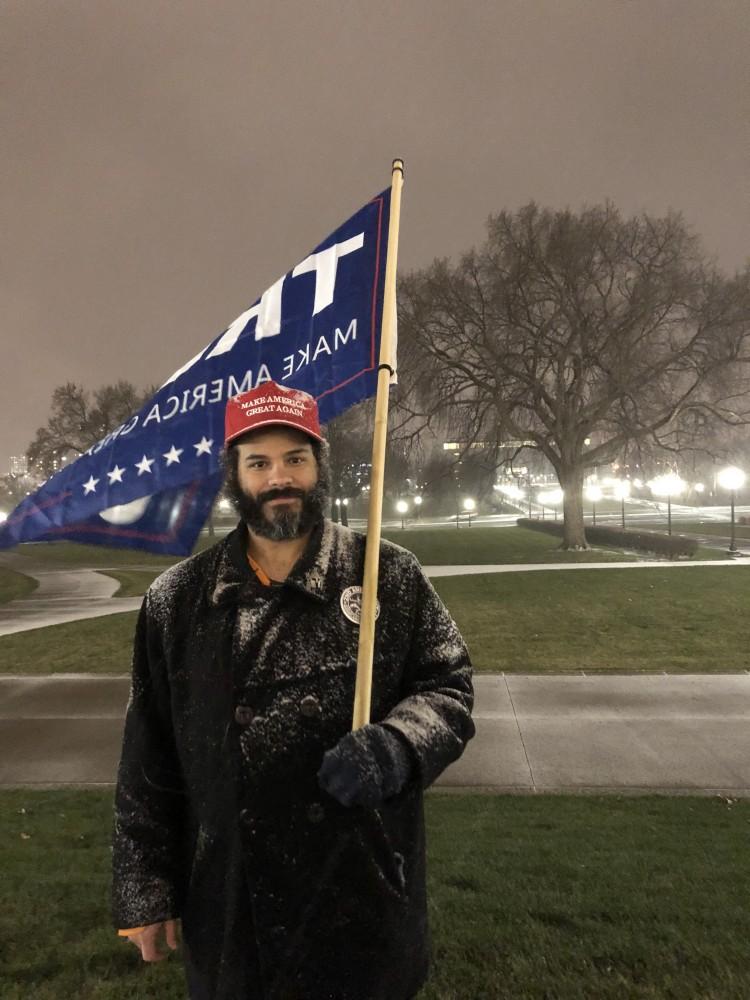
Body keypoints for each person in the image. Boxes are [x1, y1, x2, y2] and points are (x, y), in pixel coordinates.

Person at [111, 380, 475, 1000]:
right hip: (232, 905)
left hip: (361, 891)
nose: (279, 477)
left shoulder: (389, 575)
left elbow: (449, 688)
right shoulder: (177, 600)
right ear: (235, 477)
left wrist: (396, 747)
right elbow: (150, 754)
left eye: (295, 459)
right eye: (259, 463)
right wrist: (146, 884)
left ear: (319, 468)